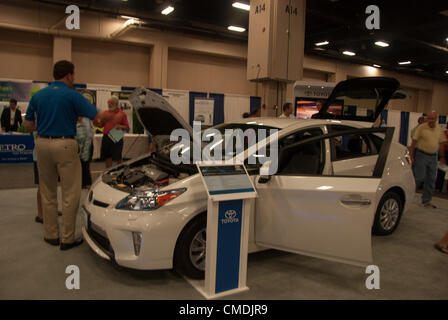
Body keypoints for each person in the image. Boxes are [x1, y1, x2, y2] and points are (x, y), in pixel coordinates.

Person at [24, 60, 112, 250]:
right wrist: (109, 115)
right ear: (69, 75)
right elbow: (97, 117)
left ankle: (51, 235)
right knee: (70, 192)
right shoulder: (72, 95)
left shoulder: (38, 96)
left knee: (47, 191)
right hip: (65, 144)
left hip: (42, 144)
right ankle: (67, 238)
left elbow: (28, 125)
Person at [409, 111, 447, 208]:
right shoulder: (421, 127)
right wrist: (411, 156)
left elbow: (442, 143)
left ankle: (426, 201)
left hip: (433, 157)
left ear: (436, 119)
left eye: (433, 119)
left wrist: (442, 157)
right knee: (419, 178)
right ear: (427, 118)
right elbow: (414, 141)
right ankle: (407, 197)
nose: (431, 121)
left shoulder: (439, 129)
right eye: (429, 118)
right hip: (421, 155)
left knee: (431, 179)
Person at [98, 96, 129, 168]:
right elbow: (100, 125)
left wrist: (120, 126)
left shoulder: (122, 114)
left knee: (118, 157)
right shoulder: (105, 113)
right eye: (108, 103)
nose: (109, 104)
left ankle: (120, 173)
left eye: (110, 103)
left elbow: (127, 127)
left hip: (116, 135)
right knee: (107, 156)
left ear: (116, 103)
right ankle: (108, 172)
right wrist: (95, 120)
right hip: (106, 136)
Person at [76, 117, 93, 189]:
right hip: (77, 148)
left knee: (85, 166)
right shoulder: (74, 124)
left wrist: (85, 154)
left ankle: (87, 184)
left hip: (86, 147)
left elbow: (88, 137)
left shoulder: (87, 120)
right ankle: (80, 184)